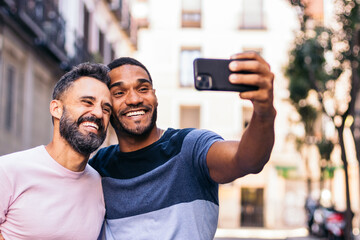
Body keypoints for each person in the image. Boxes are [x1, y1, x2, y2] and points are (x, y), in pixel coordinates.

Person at [89, 51, 276, 239]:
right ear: (106, 106)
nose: (135, 99)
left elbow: (248, 160)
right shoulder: (99, 166)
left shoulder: (189, 147)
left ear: (155, 97)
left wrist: (264, 112)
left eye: (143, 89)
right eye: (119, 93)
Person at [0, 62, 112, 240]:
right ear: (56, 109)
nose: (98, 113)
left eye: (106, 108)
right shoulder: (8, 171)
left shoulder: (100, 185)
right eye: (87, 102)